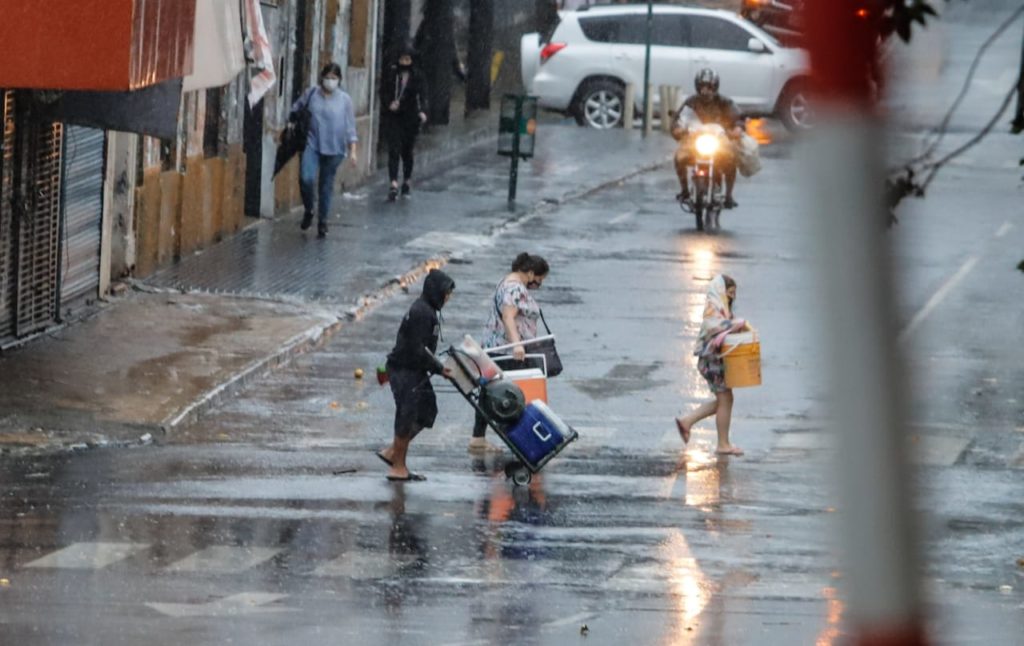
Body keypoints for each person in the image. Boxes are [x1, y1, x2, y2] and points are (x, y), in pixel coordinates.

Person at [377, 269, 456, 480]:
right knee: (407, 413)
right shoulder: (422, 312)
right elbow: (416, 348)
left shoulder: (428, 310)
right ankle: (397, 467)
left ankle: (393, 452)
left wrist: (437, 367)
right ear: (435, 291)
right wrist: (439, 369)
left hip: (416, 369)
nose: (447, 298)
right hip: (404, 368)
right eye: (446, 293)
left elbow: (424, 350)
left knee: (427, 411)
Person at [469, 253, 551, 453]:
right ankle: (521, 440)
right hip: (507, 350)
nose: (538, 285)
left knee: (490, 392)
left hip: (495, 346)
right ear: (530, 273)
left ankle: (478, 438)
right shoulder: (515, 288)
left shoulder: (505, 282)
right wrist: (517, 345)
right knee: (510, 395)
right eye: (539, 280)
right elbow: (508, 316)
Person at [675, 274, 751, 456]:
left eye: (734, 294)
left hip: (715, 361)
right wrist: (737, 324)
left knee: (724, 401)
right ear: (721, 292)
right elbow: (716, 327)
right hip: (712, 362)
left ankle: (687, 422)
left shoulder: (721, 309)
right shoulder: (713, 310)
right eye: (729, 292)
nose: (732, 297)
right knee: (726, 400)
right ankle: (723, 444)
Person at [290, 62, 359, 238]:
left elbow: (351, 128)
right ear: (322, 78)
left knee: (326, 185)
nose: (330, 81)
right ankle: (309, 209)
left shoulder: (345, 100)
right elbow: (296, 109)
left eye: (334, 78)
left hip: (335, 149)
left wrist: (353, 151)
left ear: (339, 80)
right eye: (327, 77)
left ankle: (322, 221)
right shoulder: (311, 94)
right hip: (312, 144)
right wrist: (291, 123)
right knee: (306, 177)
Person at [672, 68, 744, 209]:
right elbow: (678, 120)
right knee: (679, 158)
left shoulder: (725, 102)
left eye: (709, 87)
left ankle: (729, 195)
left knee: (731, 158)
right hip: (695, 143)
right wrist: (678, 129)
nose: (705, 91)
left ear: (715, 87)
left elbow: (738, 118)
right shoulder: (691, 102)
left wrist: (737, 129)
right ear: (697, 87)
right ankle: (685, 190)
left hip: (719, 142)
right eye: (702, 87)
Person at [381, 46, 429, 201]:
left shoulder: (417, 77)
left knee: (407, 151)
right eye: (402, 59)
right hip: (394, 117)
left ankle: (407, 180)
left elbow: (422, 95)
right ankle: (393, 183)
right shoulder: (392, 75)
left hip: (410, 117)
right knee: (394, 149)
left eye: (407, 59)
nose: (404, 62)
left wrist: (422, 112)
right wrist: (389, 104)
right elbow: (384, 92)